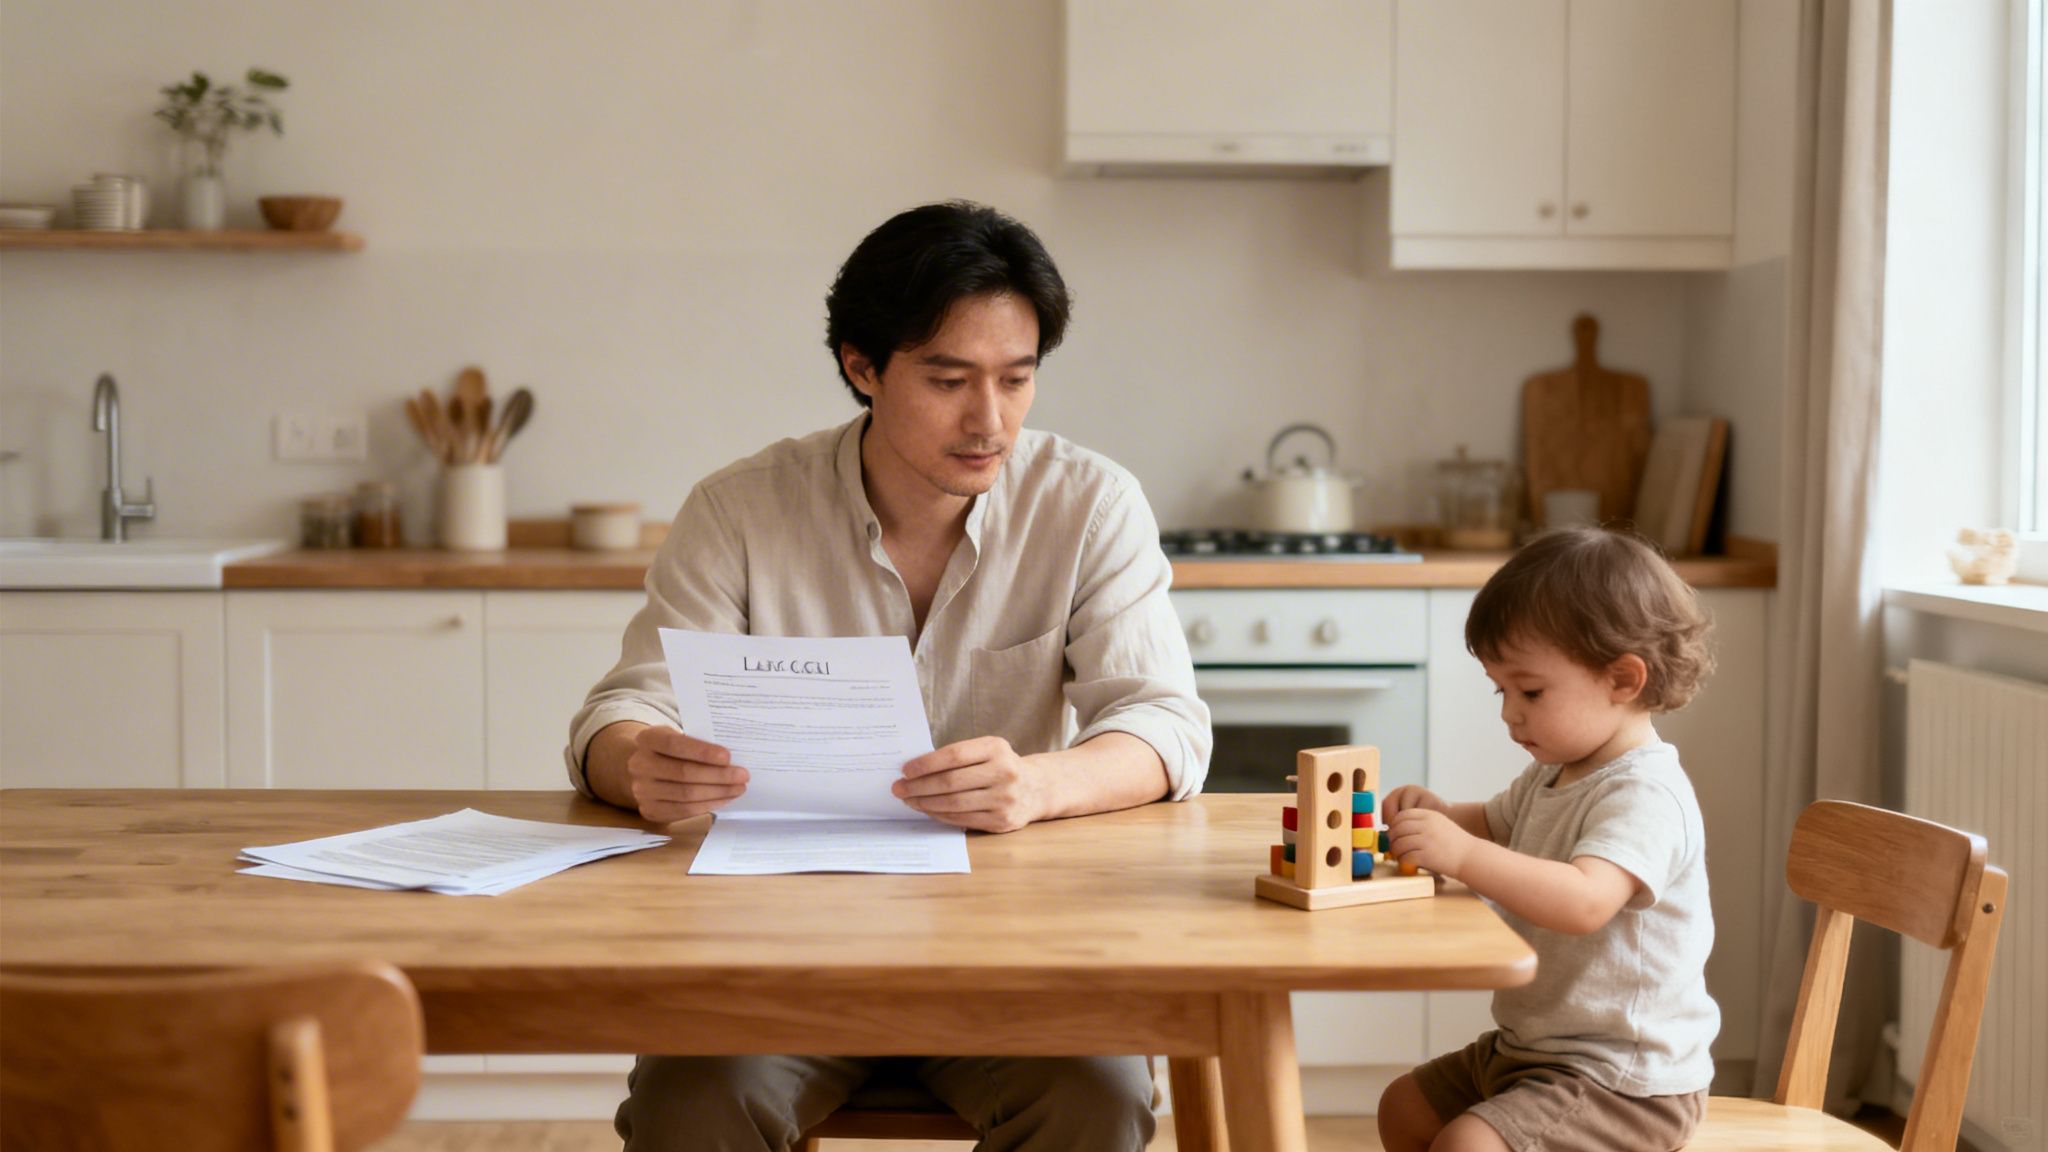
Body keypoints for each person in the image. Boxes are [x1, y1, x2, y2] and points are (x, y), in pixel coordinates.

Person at [566, 200, 1211, 1152]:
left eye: (1017, 379)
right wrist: (638, 764)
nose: (989, 419)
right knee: (690, 1101)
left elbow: (1166, 725)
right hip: (780, 953)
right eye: (949, 379)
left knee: (1100, 1098)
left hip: (1017, 953)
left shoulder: (1091, 504)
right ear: (861, 367)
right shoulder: (741, 509)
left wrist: (1039, 783)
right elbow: (622, 712)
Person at [1375, 526, 1720, 1152]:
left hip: (1624, 1080)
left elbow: (1584, 901)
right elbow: (1500, 823)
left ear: (1623, 680)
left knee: (1467, 1145)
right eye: (1501, 690)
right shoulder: (1558, 770)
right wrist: (1444, 814)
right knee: (1405, 1109)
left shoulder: (1645, 793)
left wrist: (1461, 855)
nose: (1509, 712)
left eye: (1530, 691)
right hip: (1533, 1049)